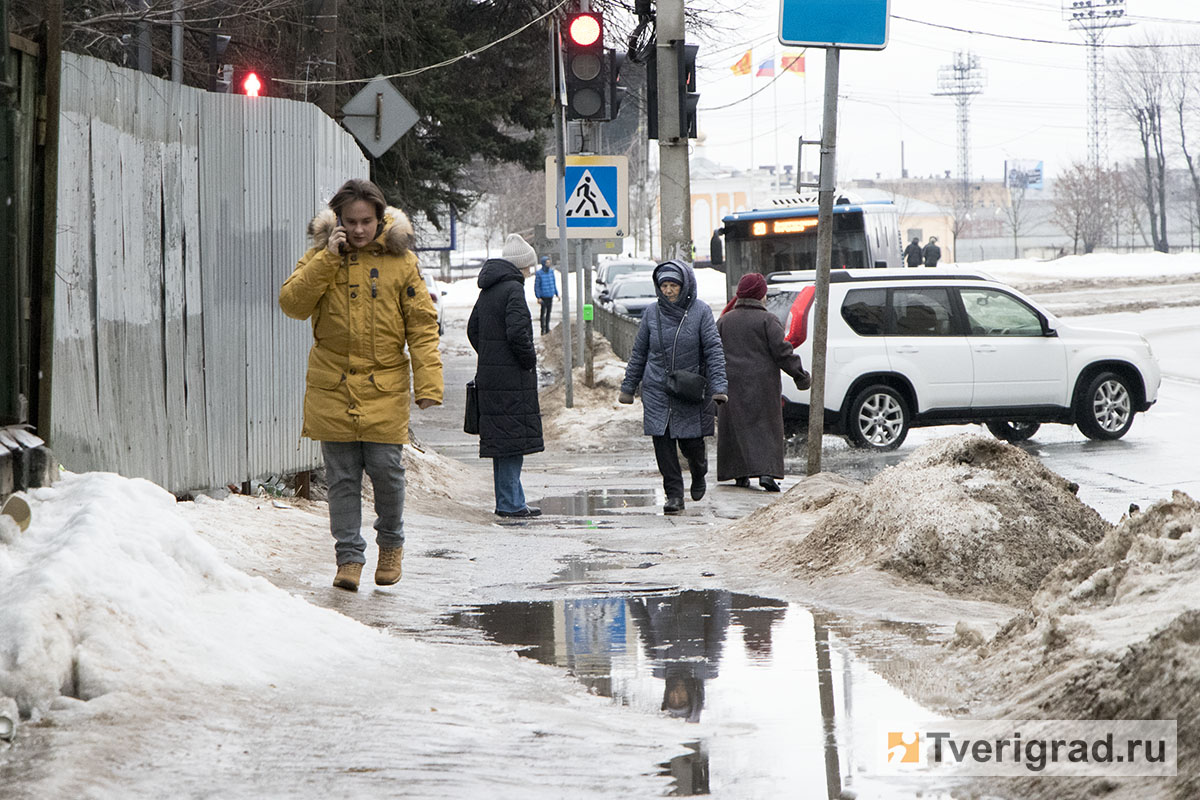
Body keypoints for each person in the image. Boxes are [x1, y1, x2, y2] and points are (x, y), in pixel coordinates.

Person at [279, 178, 443, 592]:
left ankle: (391, 543)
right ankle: (348, 558)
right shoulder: (320, 255)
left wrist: (428, 382)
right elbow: (292, 305)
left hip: (384, 384)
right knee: (342, 478)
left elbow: (422, 325)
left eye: (366, 221)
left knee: (387, 471)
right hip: (331, 385)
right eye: (349, 221)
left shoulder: (399, 261)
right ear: (337, 221)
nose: (357, 229)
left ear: (380, 218)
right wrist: (326, 260)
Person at [619, 260, 728, 514]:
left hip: (690, 389)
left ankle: (699, 470)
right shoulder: (651, 313)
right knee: (663, 443)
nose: (668, 291)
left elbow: (713, 350)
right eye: (664, 285)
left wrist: (719, 386)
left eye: (673, 286)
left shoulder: (701, 312)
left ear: (685, 286)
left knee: (691, 444)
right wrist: (629, 386)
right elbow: (639, 352)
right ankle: (674, 495)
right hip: (657, 387)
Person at [468, 234, 544, 518]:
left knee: (502, 443)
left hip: (491, 377)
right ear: (520, 265)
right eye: (528, 266)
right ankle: (511, 503)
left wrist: (489, 356)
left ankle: (509, 500)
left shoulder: (488, 290)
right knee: (512, 442)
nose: (530, 271)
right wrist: (527, 361)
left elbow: (472, 329)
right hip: (512, 379)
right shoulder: (513, 289)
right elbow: (517, 333)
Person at [716, 273, 810, 492]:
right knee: (765, 428)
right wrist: (800, 376)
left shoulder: (724, 321)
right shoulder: (768, 320)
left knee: (735, 428)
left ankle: (738, 473)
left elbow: (712, 353)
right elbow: (783, 352)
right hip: (763, 386)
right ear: (760, 295)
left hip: (732, 386)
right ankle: (767, 473)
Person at [534, 256, 558, 335]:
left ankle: (547, 328)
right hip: (543, 296)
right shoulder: (539, 273)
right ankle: (542, 328)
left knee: (548, 312)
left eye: (549, 262)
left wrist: (556, 293)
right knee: (543, 312)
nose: (548, 264)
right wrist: (538, 297)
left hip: (550, 295)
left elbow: (553, 283)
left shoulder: (551, 272)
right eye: (547, 262)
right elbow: (537, 286)